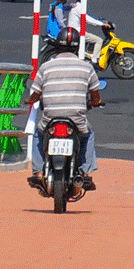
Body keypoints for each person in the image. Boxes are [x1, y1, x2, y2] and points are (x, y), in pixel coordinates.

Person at [25, 30, 102, 191]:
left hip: (50, 119)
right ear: (76, 48)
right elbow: (96, 95)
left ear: (57, 47)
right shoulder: (86, 68)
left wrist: (30, 100)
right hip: (77, 120)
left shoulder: (46, 67)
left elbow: (35, 94)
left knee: (39, 135)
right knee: (88, 134)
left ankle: (38, 172)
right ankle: (86, 173)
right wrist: (95, 102)